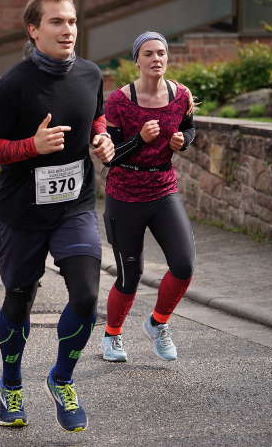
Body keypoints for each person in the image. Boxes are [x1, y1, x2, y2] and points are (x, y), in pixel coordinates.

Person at [0, 0, 114, 432]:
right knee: (19, 299)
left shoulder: (91, 74)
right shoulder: (13, 84)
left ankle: (62, 378)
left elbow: (95, 118)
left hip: (74, 206)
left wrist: (101, 139)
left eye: (71, 21)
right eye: (56, 22)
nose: (67, 30)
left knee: (88, 298)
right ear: (34, 30)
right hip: (22, 212)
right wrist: (29, 146)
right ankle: (11, 384)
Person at [100, 31, 196, 363]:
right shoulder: (118, 101)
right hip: (125, 193)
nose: (156, 59)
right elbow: (110, 156)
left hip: (163, 188)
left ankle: (158, 323)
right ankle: (112, 334)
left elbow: (190, 126)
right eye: (148, 53)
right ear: (136, 60)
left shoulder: (180, 95)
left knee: (183, 265)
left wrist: (184, 141)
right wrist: (140, 139)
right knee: (130, 274)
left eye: (161, 53)